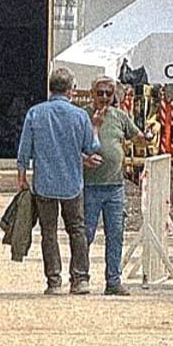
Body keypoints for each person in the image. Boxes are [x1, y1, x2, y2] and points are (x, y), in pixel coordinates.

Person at [16, 67, 102, 295]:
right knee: (77, 230)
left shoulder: (35, 113)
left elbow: (25, 149)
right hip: (72, 183)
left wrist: (22, 177)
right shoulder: (80, 116)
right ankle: (80, 279)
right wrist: (95, 127)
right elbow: (91, 147)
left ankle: (54, 281)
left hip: (44, 183)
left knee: (49, 232)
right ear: (71, 90)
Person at [83, 76, 145, 297]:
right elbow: (73, 145)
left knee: (116, 234)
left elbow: (137, 136)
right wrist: (84, 157)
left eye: (109, 93)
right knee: (85, 234)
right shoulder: (83, 116)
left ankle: (113, 280)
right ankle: (80, 278)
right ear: (92, 94)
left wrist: (146, 139)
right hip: (90, 186)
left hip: (115, 186)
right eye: (100, 93)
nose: (104, 98)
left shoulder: (120, 117)